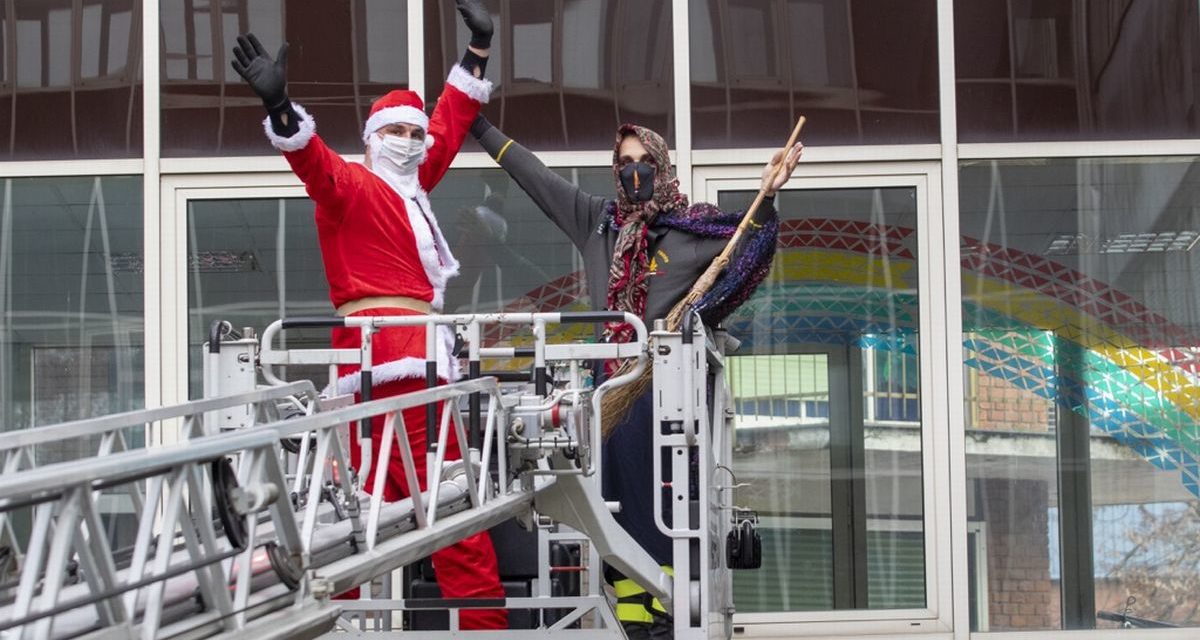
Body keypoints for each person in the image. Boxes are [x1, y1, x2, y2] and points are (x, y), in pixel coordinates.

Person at [231, 0, 508, 629]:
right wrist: (280, 108)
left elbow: (450, 118)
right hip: (387, 360)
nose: (411, 144)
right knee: (425, 506)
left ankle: (366, 625)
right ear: (371, 141)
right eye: (396, 134)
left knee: (378, 507)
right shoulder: (354, 188)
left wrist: (478, 50)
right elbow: (314, 164)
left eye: (415, 135)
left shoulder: (409, 185)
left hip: (407, 361)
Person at [470, 115, 802, 638]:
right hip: (612, 397)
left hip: (667, 397)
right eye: (624, 164)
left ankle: (665, 605)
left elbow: (747, 250)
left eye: (644, 163)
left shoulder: (691, 230)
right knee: (613, 499)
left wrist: (769, 196)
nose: (634, 173)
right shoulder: (597, 223)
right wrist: (478, 125)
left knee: (663, 498)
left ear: (662, 166)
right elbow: (534, 176)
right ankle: (632, 605)